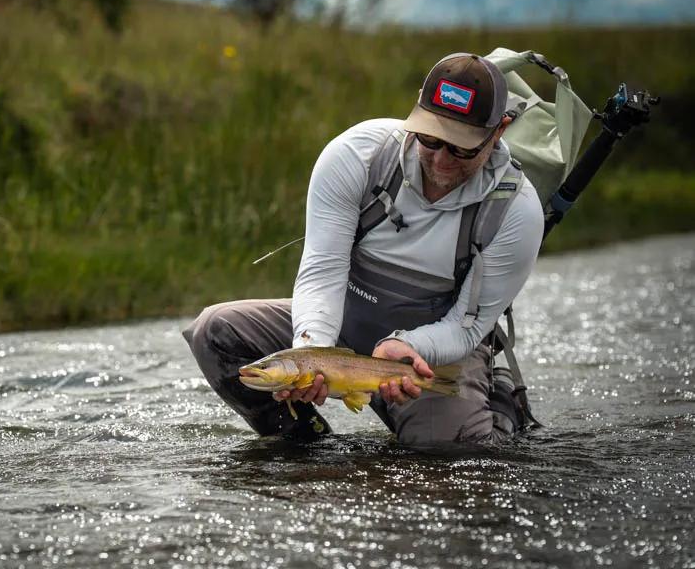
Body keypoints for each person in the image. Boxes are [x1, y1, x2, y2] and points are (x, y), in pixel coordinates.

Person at [183, 53, 544, 445]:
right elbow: (322, 270)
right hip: (339, 330)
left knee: (451, 453)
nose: (440, 161)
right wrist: (312, 350)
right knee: (214, 331)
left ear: (500, 130)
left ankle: (502, 404)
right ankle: (306, 446)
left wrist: (408, 346)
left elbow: (466, 326)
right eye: (430, 138)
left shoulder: (517, 211)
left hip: (433, 352)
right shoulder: (358, 154)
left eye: (462, 149)